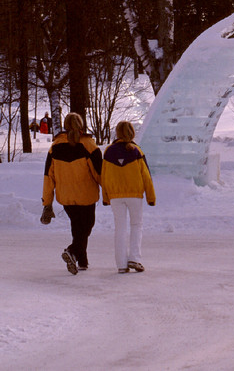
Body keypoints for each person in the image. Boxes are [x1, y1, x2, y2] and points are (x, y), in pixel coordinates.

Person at [41, 112, 102, 275]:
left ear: (65, 126)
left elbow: (48, 176)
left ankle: (82, 261)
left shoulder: (55, 147)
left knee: (77, 227)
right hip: (86, 194)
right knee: (86, 227)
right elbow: (99, 172)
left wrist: (47, 202)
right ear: (80, 125)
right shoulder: (88, 144)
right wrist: (110, 193)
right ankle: (73, 251)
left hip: (66, 196)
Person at [102, 121, 156, 274]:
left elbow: (104, 176)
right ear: (131, 133)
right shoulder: (136, 151)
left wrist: (105, 197)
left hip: (115, 196)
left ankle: (121, 265)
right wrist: (150, 197)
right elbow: (146, 176)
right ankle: (135, 258)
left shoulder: (108, 152)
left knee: (120, 228)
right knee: (136, 225)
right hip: (134, 195)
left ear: (117, 133)